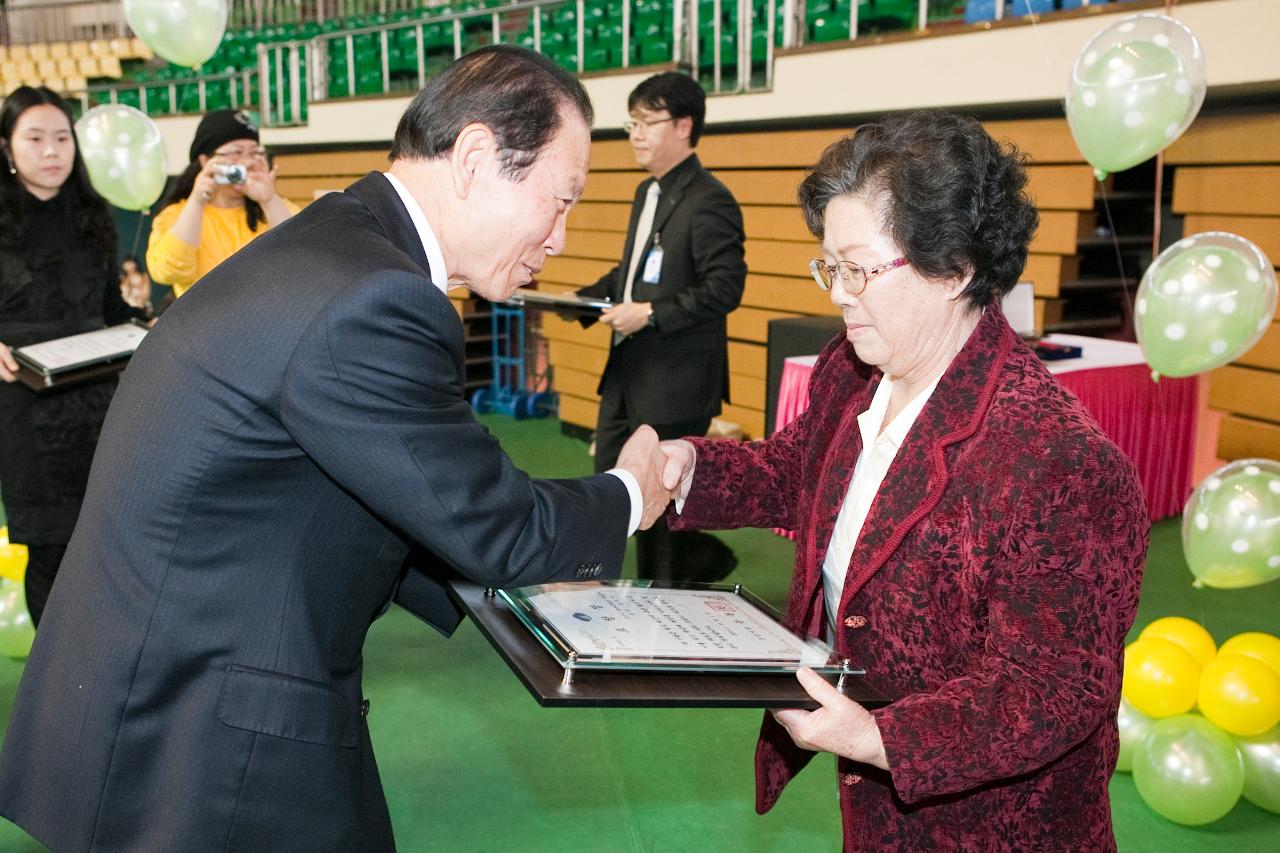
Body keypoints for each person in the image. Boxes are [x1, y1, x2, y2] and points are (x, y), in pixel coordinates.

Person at [0, 46, 672, 851]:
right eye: (558, 202)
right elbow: (497, 525)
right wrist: (631, 491)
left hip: (155, 683)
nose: (560, 238)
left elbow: (358, 481)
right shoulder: (375, 296)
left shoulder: (338, 240)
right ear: (475, 158)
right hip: (203, 730)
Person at [659, 111, 1149, 850]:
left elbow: (1052, 689)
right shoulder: (854, 368)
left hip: (994, 825)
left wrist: (883, 736)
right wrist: (690, 468)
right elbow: (802, 470)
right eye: (830, 266)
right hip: (878, 804)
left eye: (858, 268)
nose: (839, 294)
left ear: (954, 268)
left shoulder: (1055, 458)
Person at [576, 71, 745, 584]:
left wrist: (648, 314)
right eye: (631, 123)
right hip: (628, 372)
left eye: (647, 122)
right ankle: (662, 576)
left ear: (684, 126)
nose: (636, 134)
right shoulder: (646, 193)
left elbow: (724, 289)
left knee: (664, 509)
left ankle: (673, 596)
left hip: (676, 380)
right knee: (612, 484)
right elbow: (632, 277)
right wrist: (577, 301)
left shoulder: (709, 198)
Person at [0, 86, 147, 627]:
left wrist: (142, 327)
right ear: (7, 148)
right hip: (24, 406)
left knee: (107, 541)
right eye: (34, 138)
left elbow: (111, 307)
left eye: (62, 137)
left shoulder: (94, 215)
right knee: (50, 547)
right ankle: (57, 687)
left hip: (96, 402)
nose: (51, 151)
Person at [145, 108, 298, 298]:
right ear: (204, 161)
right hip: (204, 323)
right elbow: (167, 270)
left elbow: (302, 258)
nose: (247, 162)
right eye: (235, 153)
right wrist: (197, 201)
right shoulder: (178, 214)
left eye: (254, 153)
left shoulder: (277, 207)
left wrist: (268, 199)